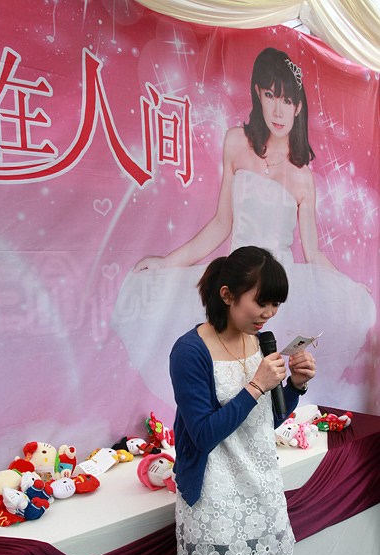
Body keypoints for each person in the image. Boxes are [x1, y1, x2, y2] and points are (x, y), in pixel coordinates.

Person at [111, 47, 376, 410]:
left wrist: (347, 286)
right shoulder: (236, 142)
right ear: (257, 94)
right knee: (223, 372)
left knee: (271, 375)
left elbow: (313, 252)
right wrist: (167, 261)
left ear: (299, 107)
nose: (278, 110)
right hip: (237, 278)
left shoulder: (303, 177)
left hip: (276, 289)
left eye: (287, 99)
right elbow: (222, 223)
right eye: (270, 96)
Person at [170, 246, 316, 555]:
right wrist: (256, 385)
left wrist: (295, 387)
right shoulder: (190, 351)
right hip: (215, 497)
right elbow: (202, 434)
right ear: (227, 294)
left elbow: (263, 423)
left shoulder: (262, 341)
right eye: (261, 302)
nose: (268, 313)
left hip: (259, 489)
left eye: (275, 305)